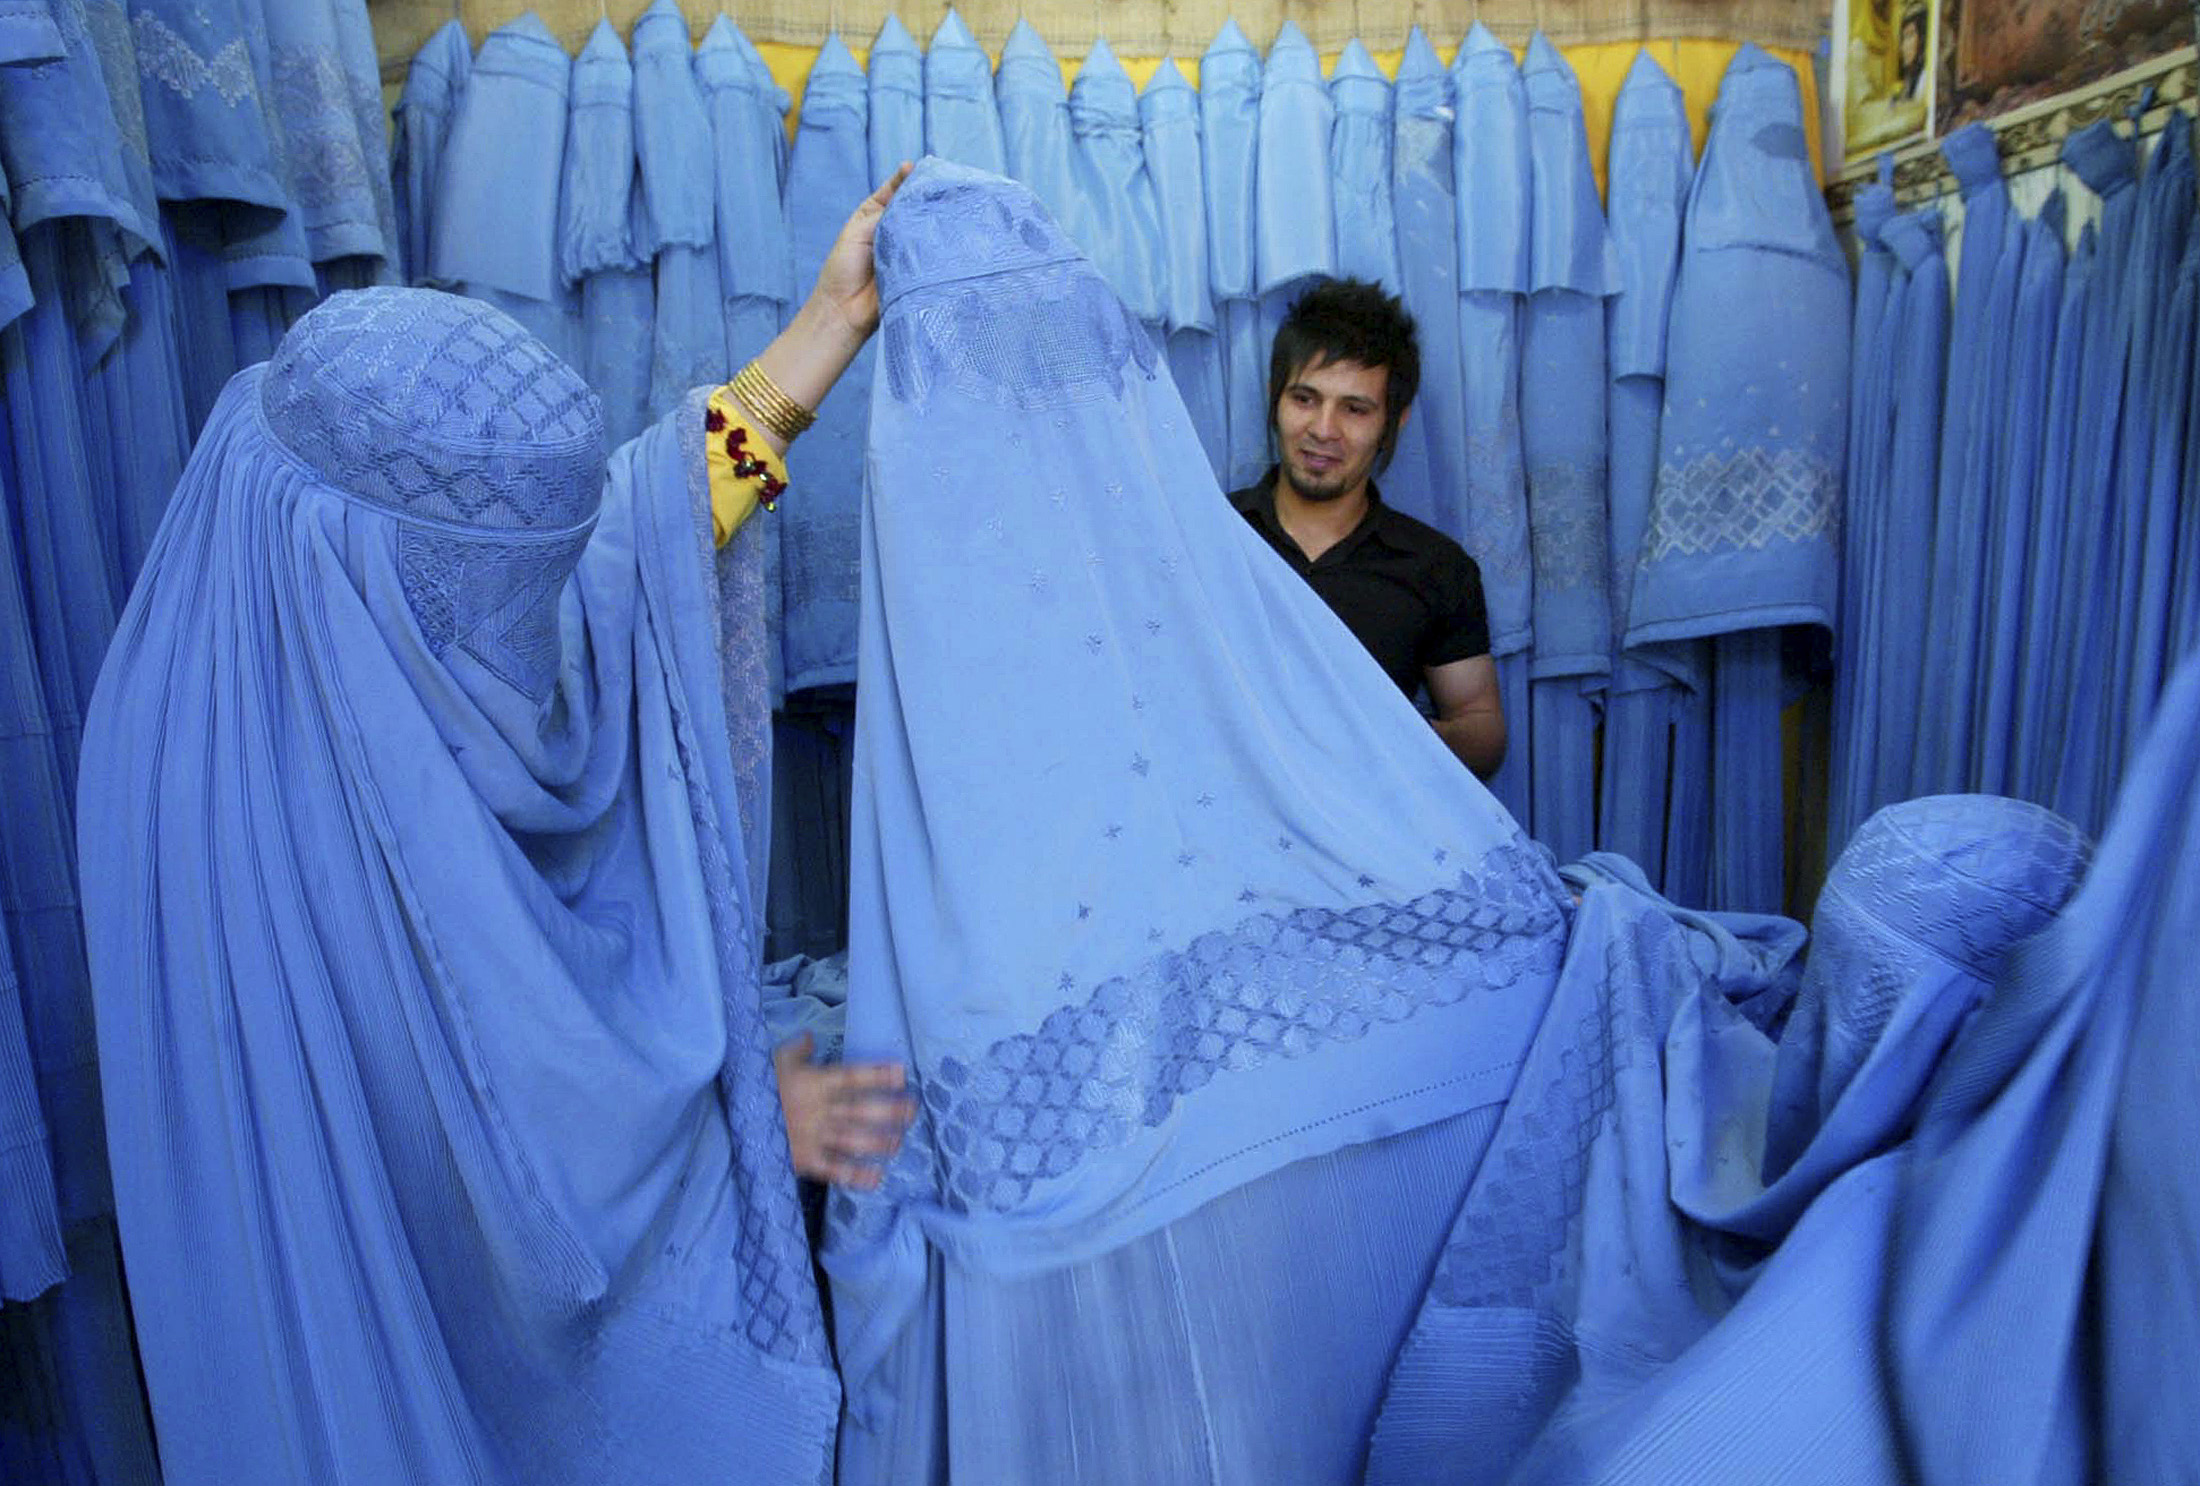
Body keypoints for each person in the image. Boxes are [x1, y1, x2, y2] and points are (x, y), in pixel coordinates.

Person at [75, 169, 914, 1485]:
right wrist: (739, 1124)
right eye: (506, 603)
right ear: (378, 576)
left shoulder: (325, 611)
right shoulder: (257, 829)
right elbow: (493, 1165)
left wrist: (826, 329)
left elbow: (641, 560)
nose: (542, 645)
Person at [1228, 279, 1506, 777]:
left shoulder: (1437, 567)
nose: (1323, 430)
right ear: (1275, 401)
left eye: (1354, 409)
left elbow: (1482, 730)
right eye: (1305, 399)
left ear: (1393, 422)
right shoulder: (1209, 533)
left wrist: (1397, 734)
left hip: (1372, 837)